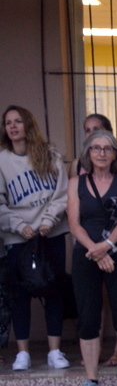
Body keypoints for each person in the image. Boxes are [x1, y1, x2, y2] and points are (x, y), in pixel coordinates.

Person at [67, 130, 117, 386]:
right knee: (88, 316)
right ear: (88, 153)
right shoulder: (75, 182)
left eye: (107, 148)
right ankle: (91, 381)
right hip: (86, 253)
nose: (101, 153)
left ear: (115, 154)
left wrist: (108, 246)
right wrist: (97, 251)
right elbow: (74, 223)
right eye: (96, 148)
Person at [0, 105, 71, 370]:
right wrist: (18, 225)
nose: (13, 126)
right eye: (8, 122)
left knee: (53, 289)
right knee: (19, 294)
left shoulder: (50, 155)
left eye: (18, 121)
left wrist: (49, 220)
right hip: (18, 237)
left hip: (50, 233)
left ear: (29, 124)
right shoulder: (2, 160)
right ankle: (23, 354)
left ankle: (55, 351)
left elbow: (62, 194)